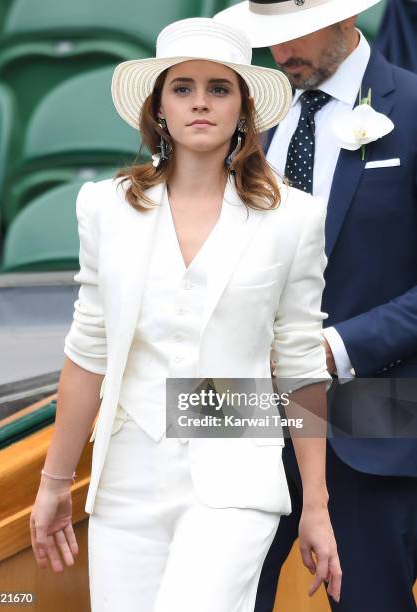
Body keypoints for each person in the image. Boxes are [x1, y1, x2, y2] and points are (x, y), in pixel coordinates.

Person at [29, 17, 342, 612]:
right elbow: (88, 352)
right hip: (126, 482)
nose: (201, 103)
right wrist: (54, 483)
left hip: (234, 480)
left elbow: (301, 368)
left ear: (244, 108)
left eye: (219, 89)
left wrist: (317, 509)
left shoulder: (294, 218)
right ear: (159, 107)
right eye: (183, 88)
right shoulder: (103, 208)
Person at [215, 1, 417, 611]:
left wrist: (332, 350)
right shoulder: (245, 118)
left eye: (294, 34)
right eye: (266, 38)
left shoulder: (412, 107)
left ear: (347, 18)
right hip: (241, 421)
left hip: (374, 420)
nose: (280, 54)